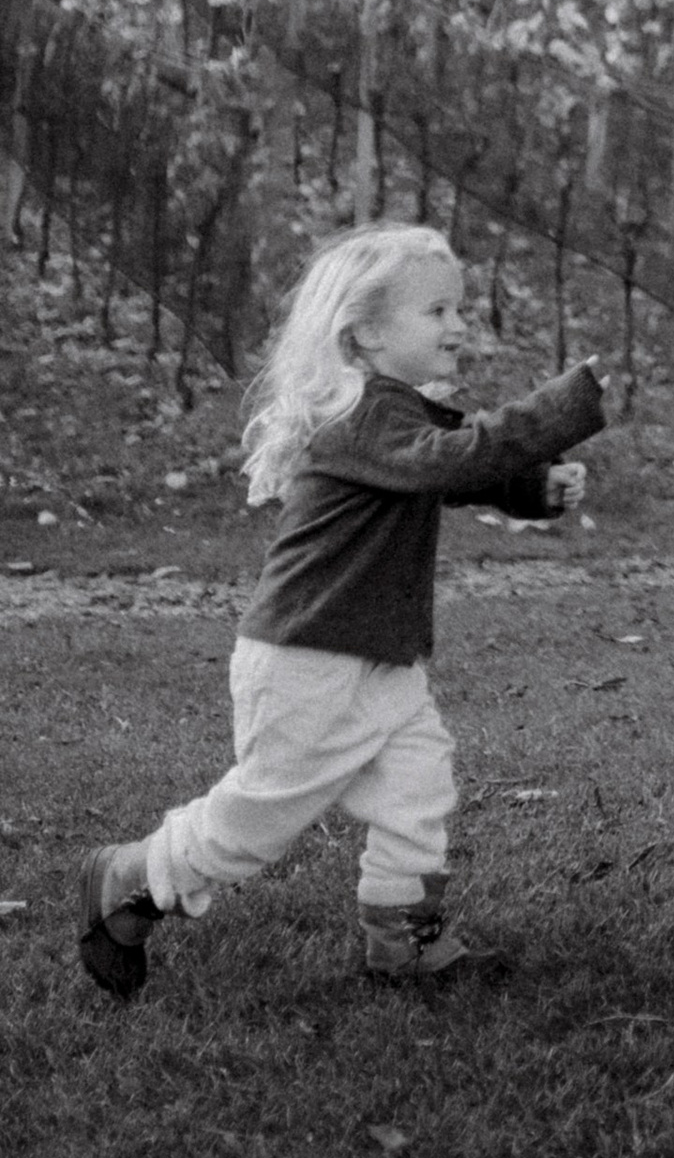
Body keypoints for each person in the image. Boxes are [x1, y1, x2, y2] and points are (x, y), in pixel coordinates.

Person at [77, 223, 610, 998]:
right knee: (262, 815)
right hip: (308, 655)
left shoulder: (399, 411)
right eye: (436, 312)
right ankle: (129, 875)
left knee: (418, 783)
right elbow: (452, 459)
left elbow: (454, 471)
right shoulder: (366, 414)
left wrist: (532, 488)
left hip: (374, 655)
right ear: (363, 332)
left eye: (458, 309)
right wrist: (560, 410)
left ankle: (404, 937)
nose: (459, 326)